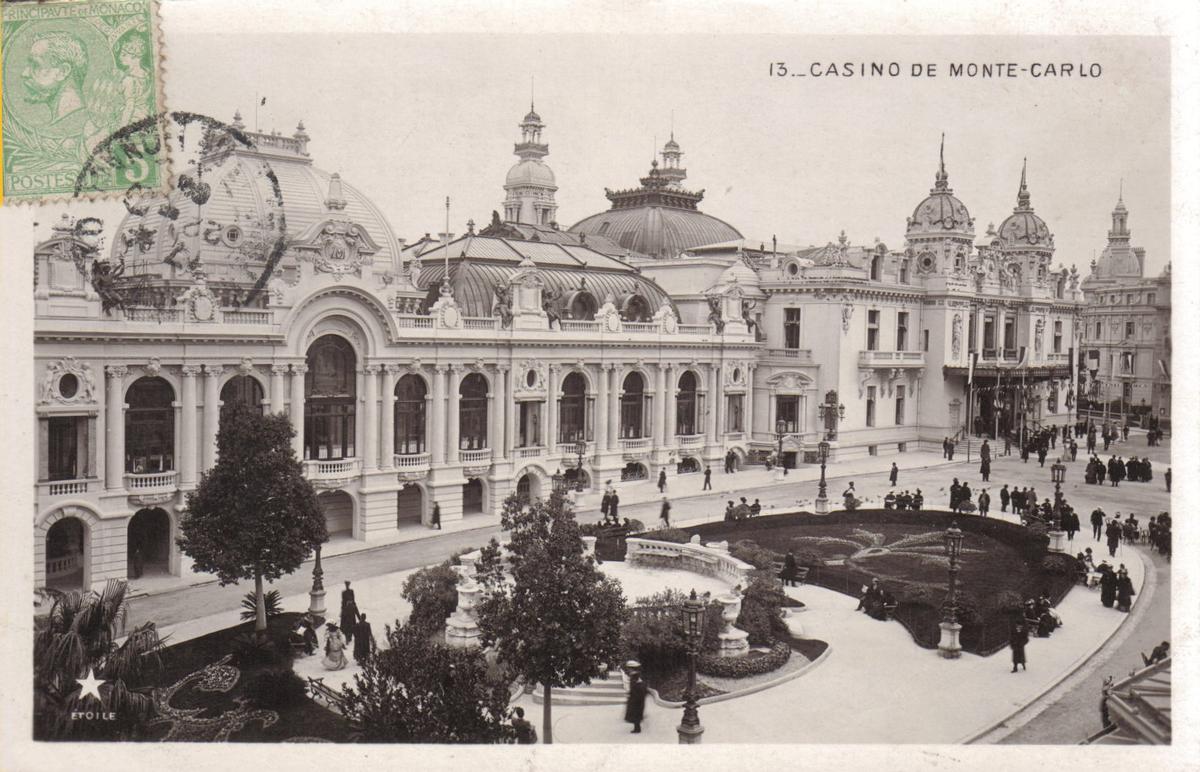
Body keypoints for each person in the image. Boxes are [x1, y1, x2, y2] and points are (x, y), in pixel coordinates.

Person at [625, 665, 648, 733]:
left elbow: (635, 687)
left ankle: (637, 729)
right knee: (636, 713)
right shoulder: (636, 676)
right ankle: (637, 728)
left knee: (636, 713)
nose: (628, 670)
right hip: (637, 698)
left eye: (629, 668)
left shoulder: (634, 676)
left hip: (636, 699)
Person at [340, 580, 358, 646]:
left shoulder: (351, 591)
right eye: (346, 585)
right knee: (347, 626)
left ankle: (349, 638)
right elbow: (343, 602)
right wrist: (342, 610)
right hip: (347, 611)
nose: (347, 586)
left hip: (349, 611)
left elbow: (353, 600)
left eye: (348, 585)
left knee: (349, 626)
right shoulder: (344, 592)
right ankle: (348, 638)